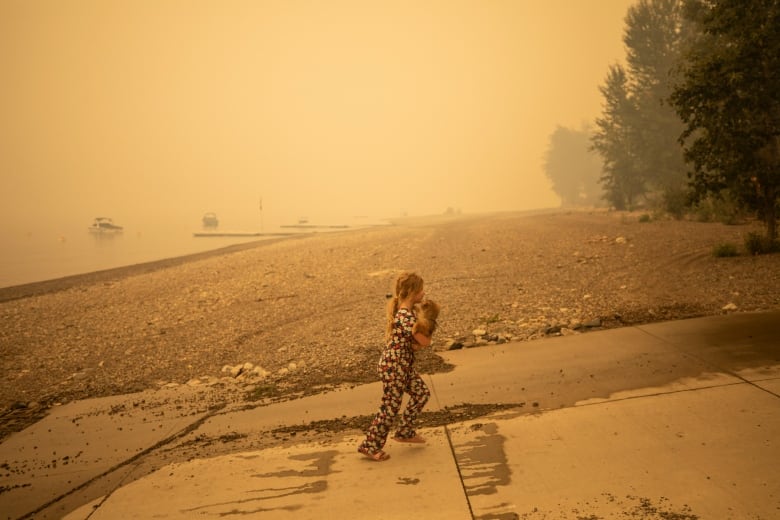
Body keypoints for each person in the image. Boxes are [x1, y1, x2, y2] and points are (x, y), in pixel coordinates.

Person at [357, 271, 433, 462]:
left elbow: (414, 343)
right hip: (394, 367)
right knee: (390, 407)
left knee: (421, 393)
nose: (424, 293)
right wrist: (430, 319)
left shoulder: (406, 313)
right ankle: (370, 445)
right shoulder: (405, 317)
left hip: (402, 367)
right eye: (421, 290)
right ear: (413, 291)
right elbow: (424, 342)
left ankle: (405, 431)